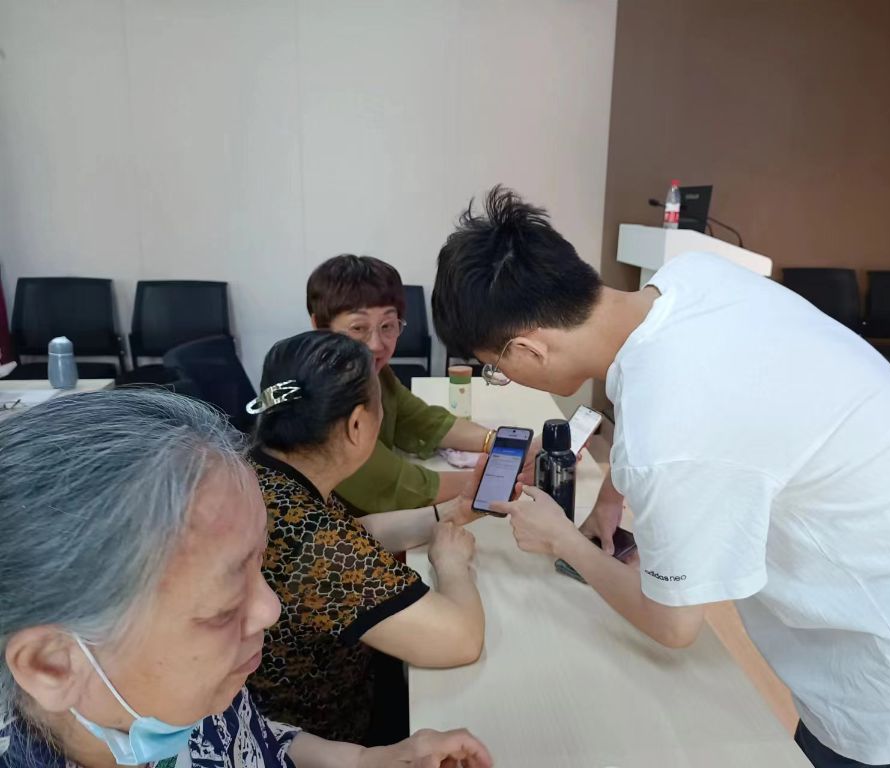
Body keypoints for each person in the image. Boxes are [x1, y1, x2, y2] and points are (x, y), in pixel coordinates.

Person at [429, 185, 890, 768]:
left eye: (496, 370)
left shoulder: (672, 429)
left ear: (528, 350)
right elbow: (658, 401)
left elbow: (672, 624)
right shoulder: (691, 280)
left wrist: (562, 539)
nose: (506, 379)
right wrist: (610, 499)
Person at [0, 389, 491, 768]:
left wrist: (365, 760)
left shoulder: (176, 692)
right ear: (52, 664)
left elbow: (243, 736)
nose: (270, 610)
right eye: (222, 609)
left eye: (260, 561)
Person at [246, 331, 485, 746]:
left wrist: (448, 514)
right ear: (357, 425)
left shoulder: (262, 471)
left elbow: (358, 532)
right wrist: (451, 563)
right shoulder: (316, 544)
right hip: (323, 734)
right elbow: (461, 640)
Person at [306, 254, 538, 514]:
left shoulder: (374, 373)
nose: (376, 344)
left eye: (387, 326)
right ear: (319, 326)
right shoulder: (321, 403)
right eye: (358, 328)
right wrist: (503, 477)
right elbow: (400, 486)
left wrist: (506, 446)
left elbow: (425, 421)